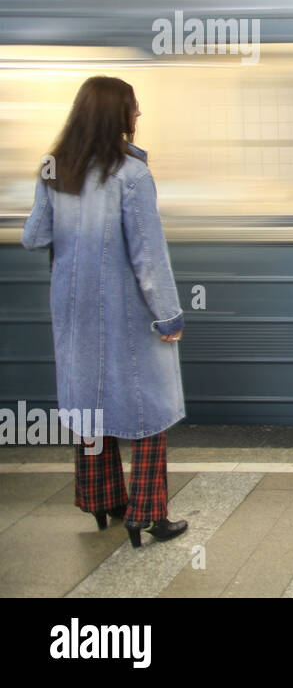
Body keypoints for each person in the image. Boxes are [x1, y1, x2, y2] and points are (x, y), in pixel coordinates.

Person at [21, 76, 188, 549]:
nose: (138, 116)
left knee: (90, 406)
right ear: (119, 114)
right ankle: (148, 515)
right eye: (134, 108)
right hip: (128, 313)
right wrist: (169, 317)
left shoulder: (55, 168)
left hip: (73, 313)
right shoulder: (131, 175)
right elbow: (148, 258)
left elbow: (34, 237)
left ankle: (102, 500)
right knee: (149, 410)